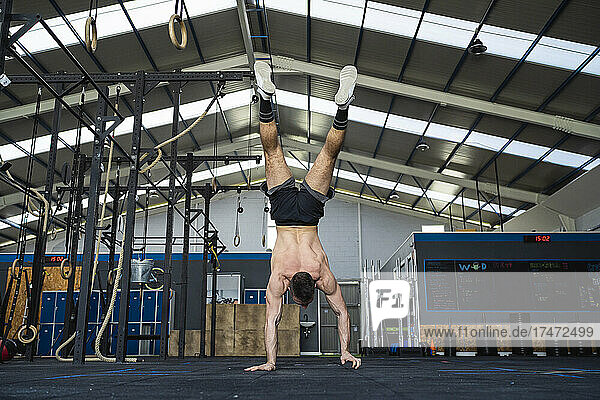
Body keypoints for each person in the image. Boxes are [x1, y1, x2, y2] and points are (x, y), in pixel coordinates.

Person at [245, 61, 361, 372]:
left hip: (309, 214)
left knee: (328, 153)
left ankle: (341, 108)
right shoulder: (283, 278)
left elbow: (342, 314)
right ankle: (266, 98)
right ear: (294, 290)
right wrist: (269, 361)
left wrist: (273, 361)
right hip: (284, 214)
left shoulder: (320, 275)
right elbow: (274, 319)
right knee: (272, 152)